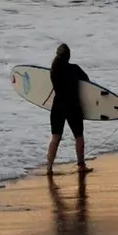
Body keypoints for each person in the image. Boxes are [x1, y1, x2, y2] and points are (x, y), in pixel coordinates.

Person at [45, 43, 90, 176]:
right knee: (79, 136)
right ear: (69, 56)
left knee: (55, 137)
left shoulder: (54, 70)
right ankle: (81, 165)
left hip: (58, 106)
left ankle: (49, 167)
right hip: (72, 106)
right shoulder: (75, 69)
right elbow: (88, 84)